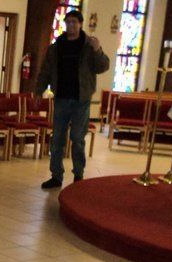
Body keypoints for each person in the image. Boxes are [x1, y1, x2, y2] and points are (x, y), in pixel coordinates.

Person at [36, 10, 110, 189]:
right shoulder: (56, 47)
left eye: (74, 22)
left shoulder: (89, 46)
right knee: (58, 139)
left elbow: (103, 67)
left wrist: (98, 50)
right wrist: (39, 91)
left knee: (77, 137)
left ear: (80, 24)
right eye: (68, 22)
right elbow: (45, 71)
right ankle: (56, 176)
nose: (71, 25)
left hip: (81, 99)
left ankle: (78, 174)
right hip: (61, 98)